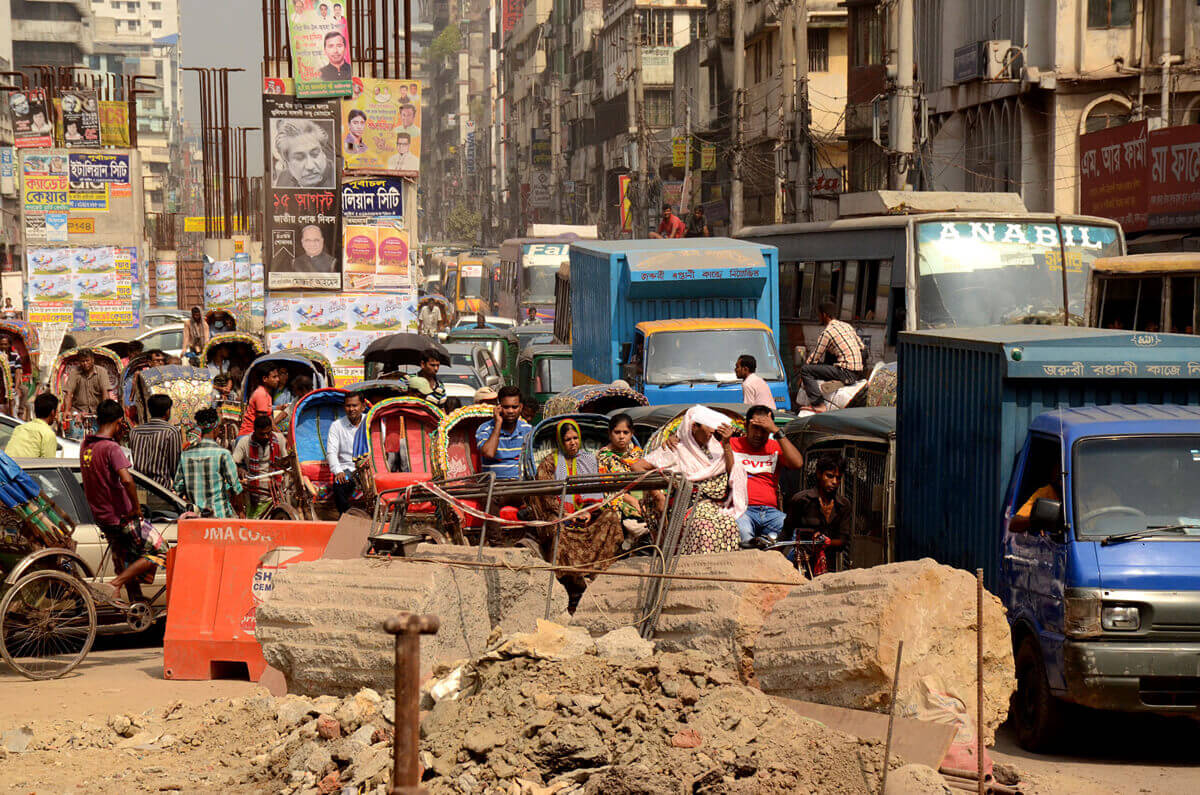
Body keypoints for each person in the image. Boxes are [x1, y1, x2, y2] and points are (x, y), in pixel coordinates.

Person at [80, 400, 165, 604]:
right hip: (122, 516)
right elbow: (127, 480)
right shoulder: (111, 448)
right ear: (119, 422)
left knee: (124, 559)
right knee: (161, 552)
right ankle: (116, 584)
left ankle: (135, 599)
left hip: (102, 516)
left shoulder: (86, 445)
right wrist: (136, 508)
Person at [529, 419, 623, 598]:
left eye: (575, 438)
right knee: (557, 527)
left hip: (586, 514)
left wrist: (589, 511)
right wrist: (565, 513)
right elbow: (545, 495)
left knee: (610, 517)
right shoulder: (550, 463)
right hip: (559, 515)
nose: (572, 443)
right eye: (567, 439)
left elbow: (596, 492)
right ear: (560, 442)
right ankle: (569, 578)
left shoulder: (589, 460)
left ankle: (598, 571)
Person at [642, 406, 747, 554]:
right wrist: (657, 495)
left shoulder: (716, 449)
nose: (712, 431)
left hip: (714, 506)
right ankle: (696, 571)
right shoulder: (675, 448)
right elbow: (638, 467)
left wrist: (727, 444)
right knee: (705, 528)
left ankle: (722, 573)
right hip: (686, 506)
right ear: (694, 426)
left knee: (729, 525)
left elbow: (732, 473)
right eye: (708, 426)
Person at [731, 405, 803, 545]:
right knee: (744, 534)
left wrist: (776, 431)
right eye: (755, 428)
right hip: (742, 510)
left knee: (794, 536)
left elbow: (798, 463)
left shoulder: (775, 446)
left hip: (770, 512)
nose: (758, 434)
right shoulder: (732, 444)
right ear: (746, 426)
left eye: (764, 430)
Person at [783, 452, 851, 574]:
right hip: (801, 565)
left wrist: (826, 542)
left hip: (829, 567)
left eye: (838, 478)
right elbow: (786, 533)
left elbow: (843, 540)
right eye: (829, 476)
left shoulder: (843, 505)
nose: (834, 482)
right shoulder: (801, 500)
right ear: (819, 474)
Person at [174, 407, 246, 519]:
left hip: (194, 518)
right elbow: (236, 487)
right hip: (219, 516)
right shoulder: (223, 454)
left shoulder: (185, 455)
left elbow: (178, 487)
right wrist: (241, 511)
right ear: (215, 428)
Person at [597, 412, 660, 533]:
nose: (621, 436)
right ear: (610, 434)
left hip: (644, 497)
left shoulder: (640, 454)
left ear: (632, 434)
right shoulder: (604, 457)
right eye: (617, 432)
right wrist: (631, 500)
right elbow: (607, 486)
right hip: (618, 497)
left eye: (625, 432)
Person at [800, 301, 865, 411]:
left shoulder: (827, 332)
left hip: (844, 372)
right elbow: (862, 348)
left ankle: (818, 404)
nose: (818, 317)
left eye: (819, 314)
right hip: (856, 373)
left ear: (824, 315)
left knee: (806, 370)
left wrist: (801, 375)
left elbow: (814, 358)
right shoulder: (847, 326)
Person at [234, 415, 288, 518]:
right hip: (254, 492)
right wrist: (240, 469)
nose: (266, 437)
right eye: (262, 434)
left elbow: (285, 460)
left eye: (269, 433)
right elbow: (233, 463)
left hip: (275, 490)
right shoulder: (244, 442)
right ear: (254, 430)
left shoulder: (279, 439)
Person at [127, 393, 182, 492]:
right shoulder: (171, 432)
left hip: (139, 489)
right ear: (167, 411)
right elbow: (175, 466)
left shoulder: (134, 431)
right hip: (161, 490)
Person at [477, 386, 532, 480]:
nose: (510, 411)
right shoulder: (485, 428)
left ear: (521, 407)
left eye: (514, 407)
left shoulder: (528, 430)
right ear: (499, 407)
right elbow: (489, 453)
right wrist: (498, 423)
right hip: (493, 487)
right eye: (506, 407)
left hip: (521, 487)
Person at [326, 392, 365, 512]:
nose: (351, 409)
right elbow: (331, 452)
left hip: (369, 468)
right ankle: (347, 516)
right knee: (339, 485)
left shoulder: (371, 422)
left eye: (355, 405)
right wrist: (338, 471)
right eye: (348, 406)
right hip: (348, 469)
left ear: (363, 407)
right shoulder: (337, 426)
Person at [273, 118, 334, 188]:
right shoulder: (283, 178)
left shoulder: (339, 177)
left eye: (315, 154)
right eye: (299, 158)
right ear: (286, 163)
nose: (310, 166)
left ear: (323, 153)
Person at [63, 350, 110, 432]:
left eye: (87, 360)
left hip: (97, 412)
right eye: (82, 361)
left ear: (92, 360)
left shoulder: (101, 372)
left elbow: (105, 393)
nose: (85, 363)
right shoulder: (74, 373)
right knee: (75, 437)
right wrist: (67, 410)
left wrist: (104, 411)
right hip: (78, 411)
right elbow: (68, 393)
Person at [5, 393, 58, 459]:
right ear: (53, 412)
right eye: (56, 412)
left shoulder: (19, 428)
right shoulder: (47, 434)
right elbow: (50, 464)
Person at [240, 367, 280, 437]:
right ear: (265, 379)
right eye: (274, 377)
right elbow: (263, 423)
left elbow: (270, 419)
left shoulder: (267, 394)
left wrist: (280, 435)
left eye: (277, 376)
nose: (278, 379)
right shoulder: (261, 394)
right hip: (249, 435)